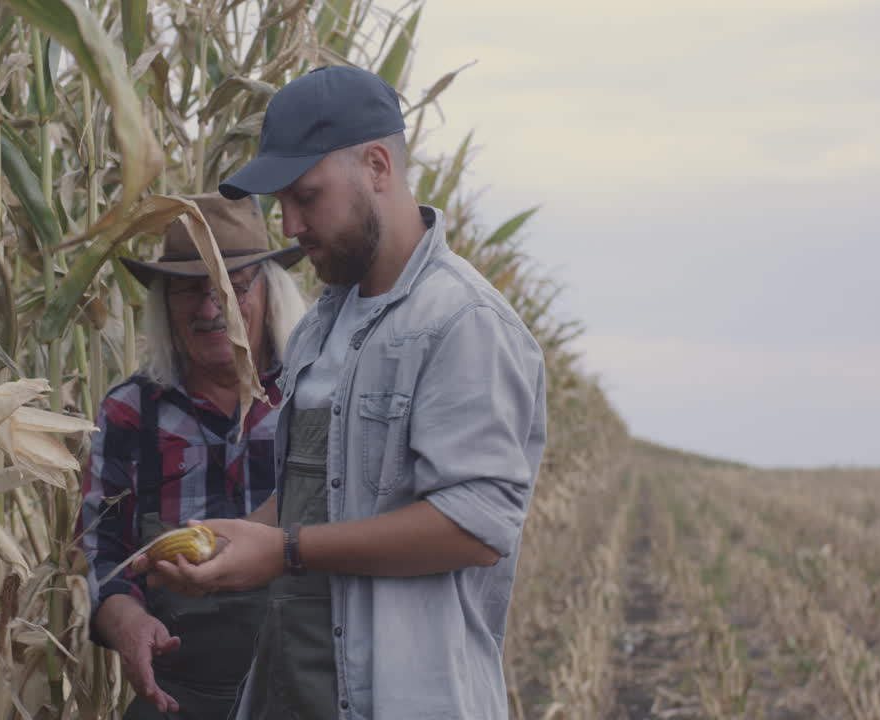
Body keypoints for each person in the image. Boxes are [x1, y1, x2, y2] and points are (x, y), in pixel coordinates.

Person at [139, 66, 549, 719]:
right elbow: (320, 490)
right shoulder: (322, 325)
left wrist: (285, 552)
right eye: (281, 204)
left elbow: (477, 524)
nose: (290, 223)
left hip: (401, 696)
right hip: (291, 687)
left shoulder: (461, 322)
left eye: (307, 196)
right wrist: (238, 536)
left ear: (379, 166)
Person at [79, 192, 309, 719]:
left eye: (230, 289)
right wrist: (126, 622)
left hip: (307, 688)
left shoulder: (316, 398)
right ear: (163, 304)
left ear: (270, 292)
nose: (210, 310)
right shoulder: (129, 412)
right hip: (181, 695)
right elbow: (101, 555)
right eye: (188, 291)